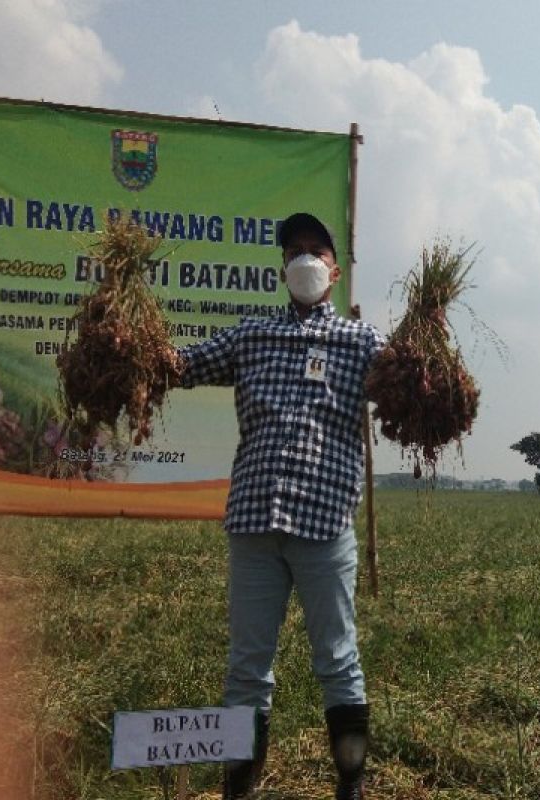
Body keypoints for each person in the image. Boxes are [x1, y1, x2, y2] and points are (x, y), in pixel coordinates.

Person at [172, 212, 384, 800]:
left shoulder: (362, 344)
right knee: (246, 668)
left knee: (338, 660)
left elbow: (413, 383)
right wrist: (131, 347)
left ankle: (351, 786)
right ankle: (239, 790)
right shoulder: (250, 336)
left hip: (324, 523)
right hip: (254, 521)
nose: (305, 260)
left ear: (335, 270)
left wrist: (432, 364)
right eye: (295, 251)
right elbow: (181, 365)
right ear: (282, 269)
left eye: (316, 250)